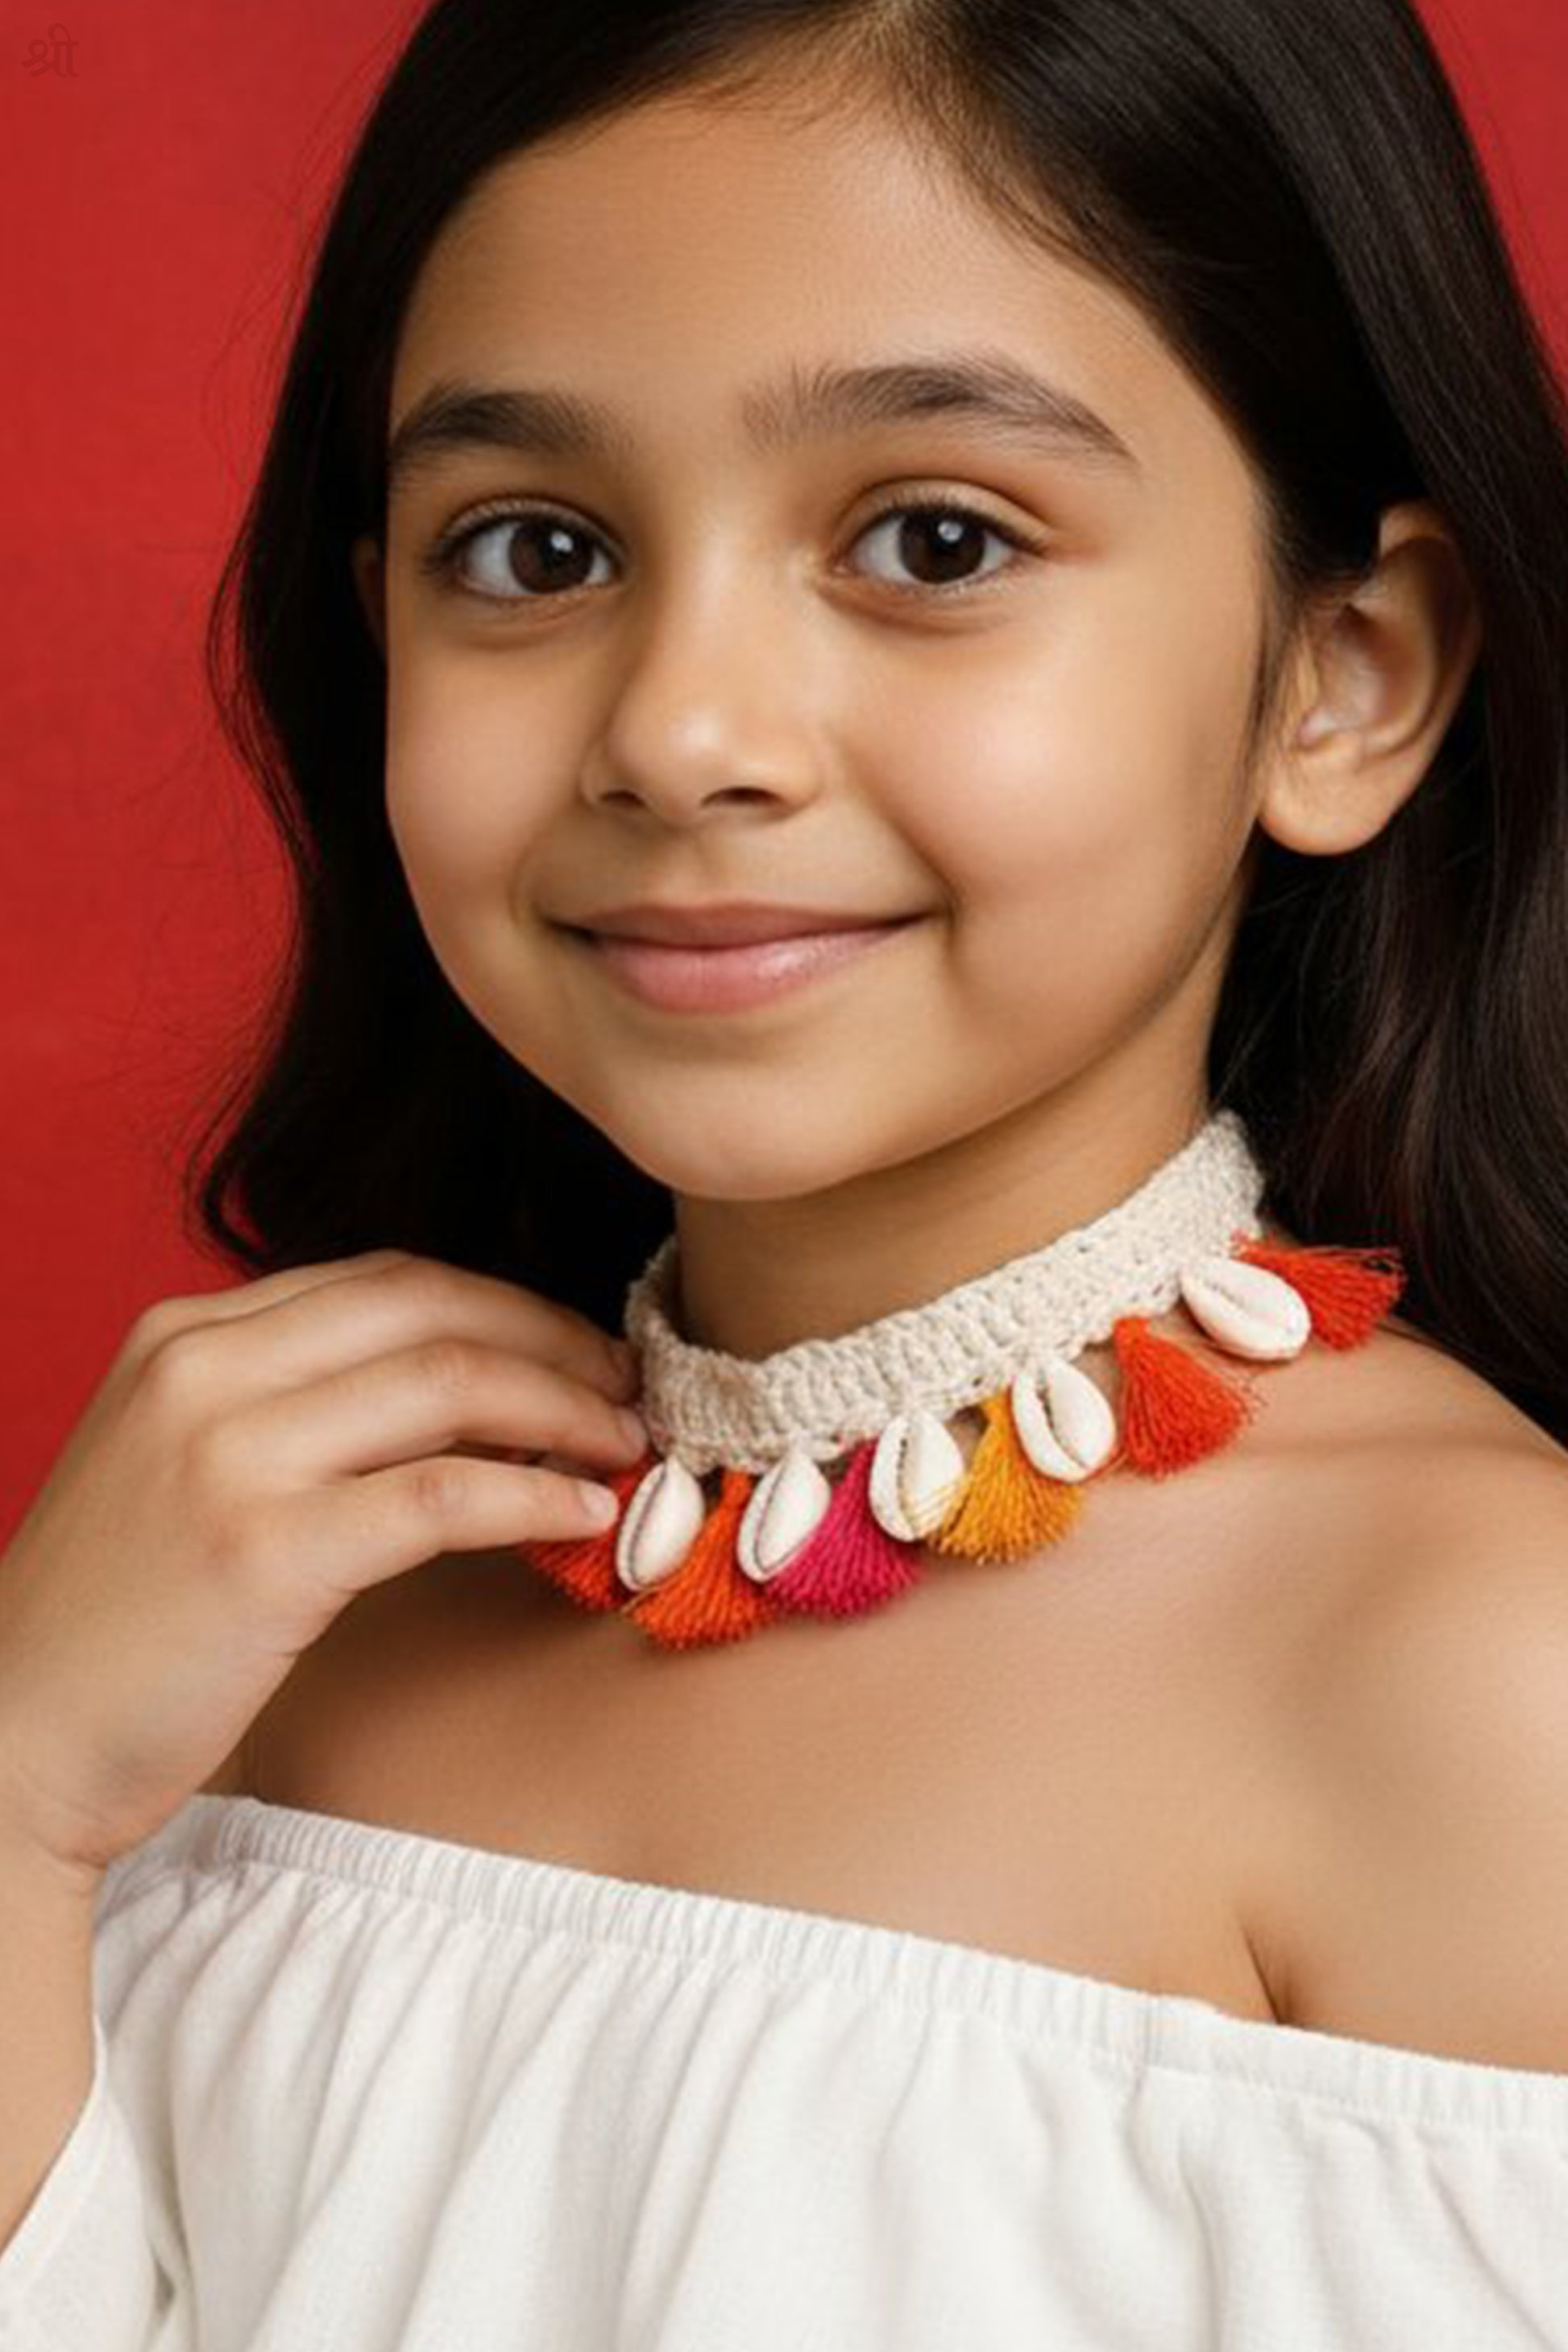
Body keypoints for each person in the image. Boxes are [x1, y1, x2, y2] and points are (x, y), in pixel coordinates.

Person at [2, 0, 1567, 2341]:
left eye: (932, 538)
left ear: (1339, 676)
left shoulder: (1477, 1674)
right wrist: (14, 1801)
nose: (679, 728)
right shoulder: (260, 1598)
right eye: (530, 549)